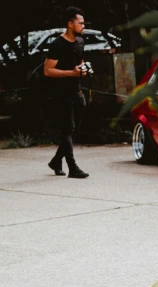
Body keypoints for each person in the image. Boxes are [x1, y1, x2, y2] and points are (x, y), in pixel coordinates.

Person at [44, 6, 89, 178]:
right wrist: (71, 73)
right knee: (68, 128)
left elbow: (80, 62)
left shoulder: (80, 42)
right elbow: (48, 71)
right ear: (70, 24)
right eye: (81, 23)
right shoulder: (57, 44)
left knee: (71, 130)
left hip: (76, 90)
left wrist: (82, 70)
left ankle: (56, 161)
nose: (83, 26)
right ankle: (73, 167)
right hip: (60, 93)